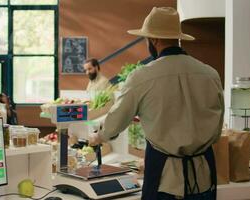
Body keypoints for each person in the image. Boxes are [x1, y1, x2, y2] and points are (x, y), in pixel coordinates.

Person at [89, 7, 224, 200]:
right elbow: (217, 129)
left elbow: (117, 120)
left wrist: (99, 136)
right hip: (203, 178)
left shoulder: (142, 76)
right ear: (178, 38)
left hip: (165, 181)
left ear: (153, 39)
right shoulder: (210, 74)